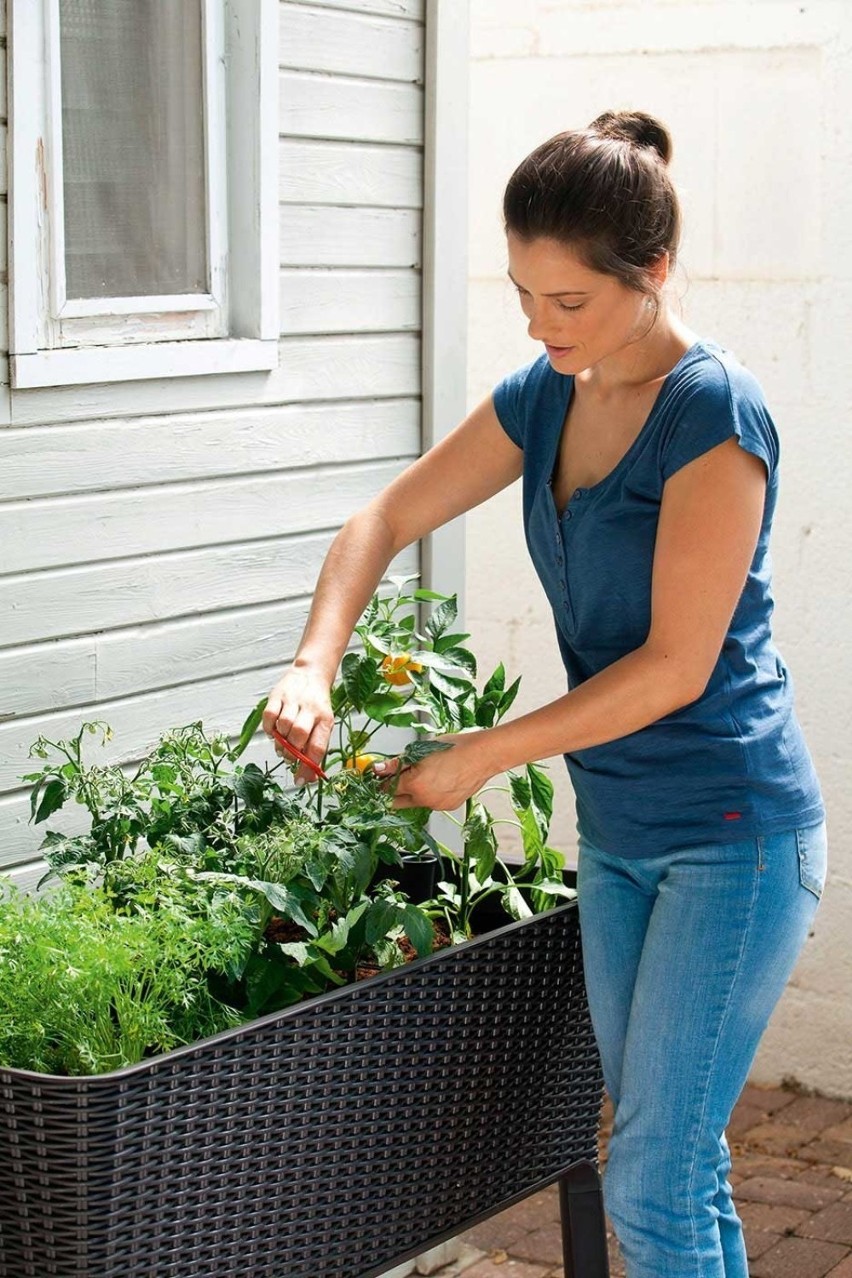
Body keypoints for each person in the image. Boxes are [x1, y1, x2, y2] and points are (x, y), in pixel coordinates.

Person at [263, 109, 826, 1278]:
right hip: (621, 836)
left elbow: (677, 664)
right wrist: (313, 661)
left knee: (654, 1175)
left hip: (735, 836)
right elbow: (384, 517)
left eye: (567, 303)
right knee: (678, 1164)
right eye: (524, 297)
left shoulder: (714, 415)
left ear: (653, 269)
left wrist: (484, 753)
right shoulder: (543, 397)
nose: (540, 326)